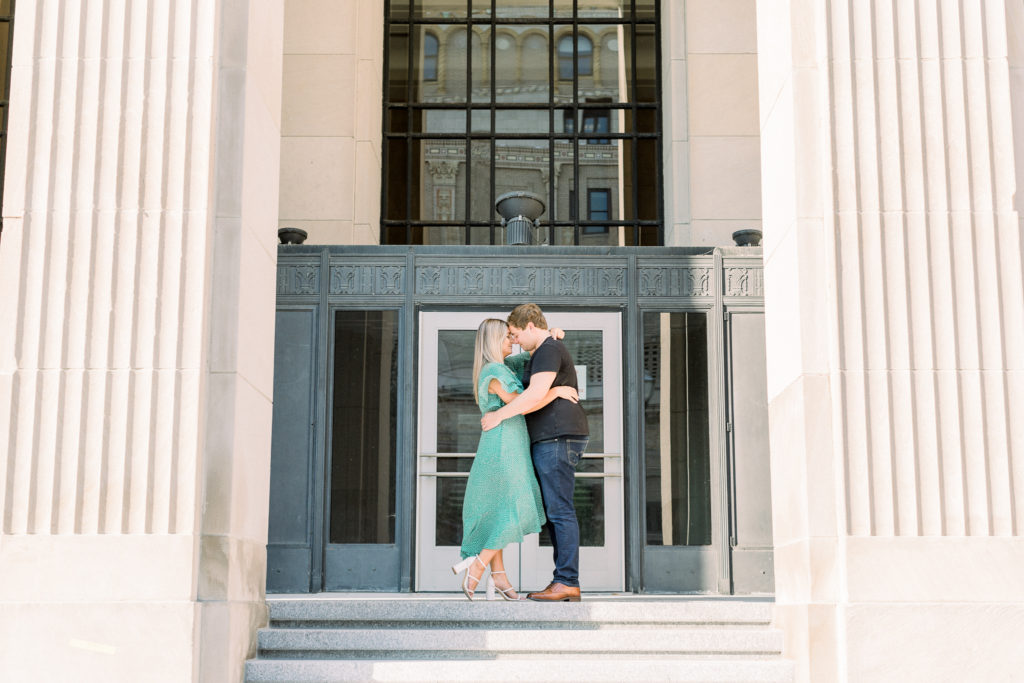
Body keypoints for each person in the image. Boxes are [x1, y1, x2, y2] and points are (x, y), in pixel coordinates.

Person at [452, 318, 579, 601]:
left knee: (501, 508)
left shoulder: (503, 366)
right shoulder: (496, 370)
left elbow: (531, 352)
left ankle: (500, 579)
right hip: (503, 445)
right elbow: (523, 403)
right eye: (508, 337)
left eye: (514, 335)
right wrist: (556, 391)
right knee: (512, 507)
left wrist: (551, 336)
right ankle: (478, 565)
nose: (513, 341)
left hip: (506, 442)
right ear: (495, 341)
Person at [481, 303, 589, 602]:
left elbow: (535, 394)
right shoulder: (542, 350)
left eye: (515, 333)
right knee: (556, 512)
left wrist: (499, 416)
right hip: (552, 437)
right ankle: (564, 580)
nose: (514, 340)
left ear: (530, 325)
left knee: (560, 510)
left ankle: (567, 581)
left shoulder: (548, 350)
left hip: (558, 437)